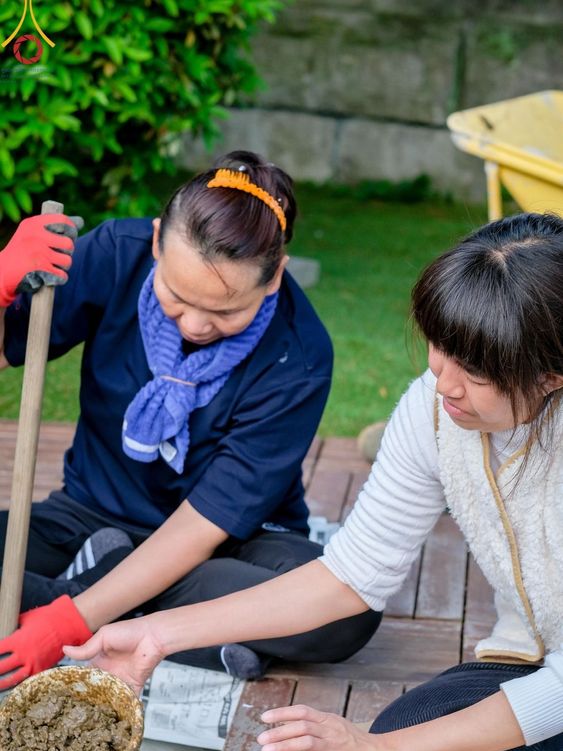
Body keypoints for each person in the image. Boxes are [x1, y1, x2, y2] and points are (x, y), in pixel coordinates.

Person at [62, 211, 563, 751]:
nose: (443, 379)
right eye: (440, 345)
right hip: (535, 655)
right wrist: (153, 633)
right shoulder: (431, 410)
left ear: (550, 375)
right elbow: (350, 576)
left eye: (475, 371)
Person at [0, 150, 380, 688]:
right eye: (176, 296)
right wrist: (1, 285)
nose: (197, 325)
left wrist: (71, 619)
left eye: (227, 311)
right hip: (88, 517)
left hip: (225, 548)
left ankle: (90, 593)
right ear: (157, 242)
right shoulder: (116, 255)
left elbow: (205, 525)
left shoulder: (299, 355)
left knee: (349, 614)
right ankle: (174, 628)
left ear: (275, 279)